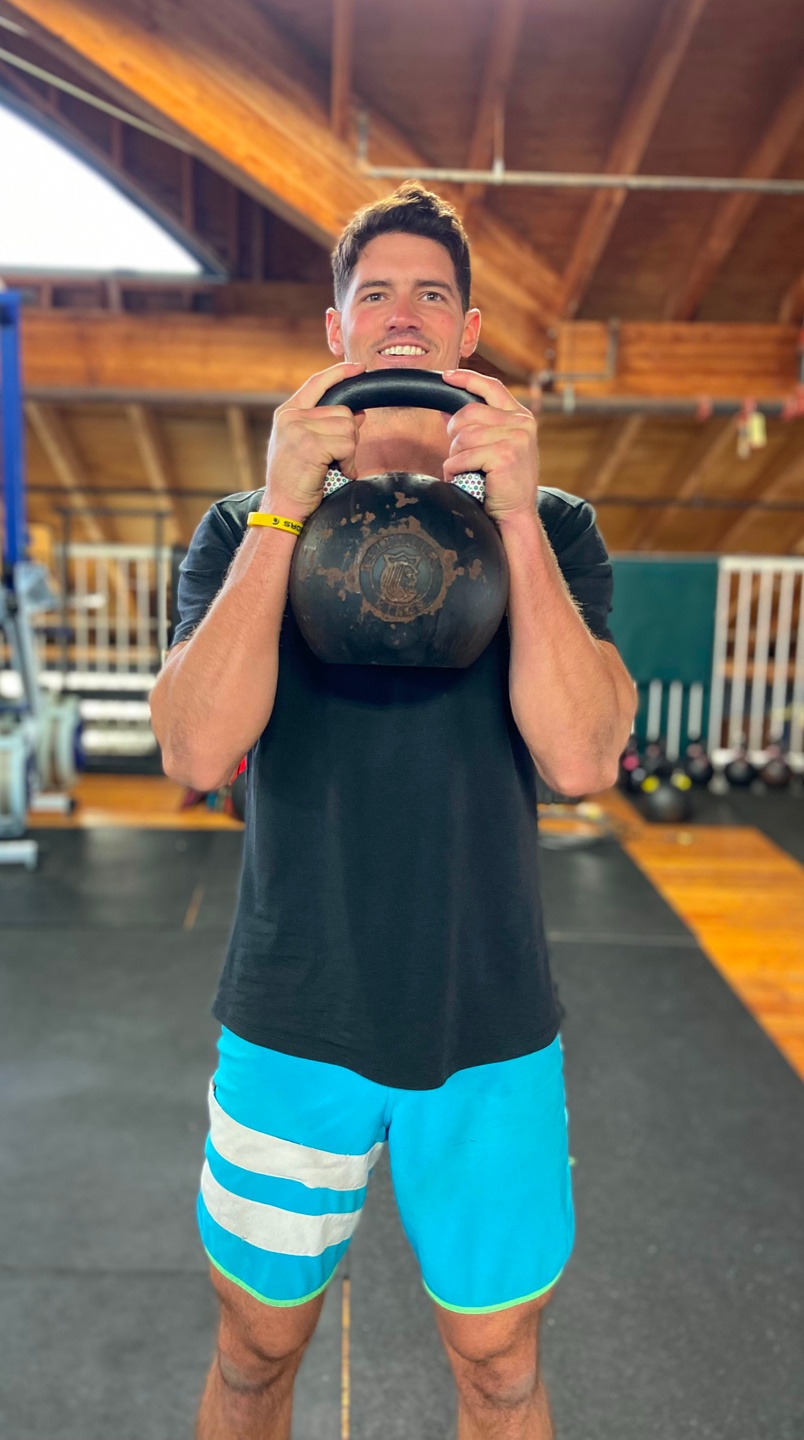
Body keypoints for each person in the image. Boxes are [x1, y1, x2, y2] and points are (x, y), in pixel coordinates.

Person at [150, 182, 636, 1440]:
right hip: (292, 1015)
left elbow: (584, 756)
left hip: (487, 1022)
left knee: (501, 1366)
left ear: (468, 332)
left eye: (432, 294)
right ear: (338, 331)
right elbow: (196, 747)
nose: (404, 313)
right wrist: (282, 505)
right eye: (377, 294)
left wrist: (514, 515)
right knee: (254, 1352)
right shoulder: (243, 526)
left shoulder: (556, 528)